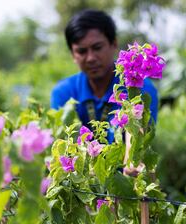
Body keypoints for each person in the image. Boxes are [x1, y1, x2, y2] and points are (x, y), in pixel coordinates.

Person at [50, 9, 158, 143]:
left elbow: (137, 146)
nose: (90, 58)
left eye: (97, 47)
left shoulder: (141, 90)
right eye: (81, 51)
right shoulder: (64, 93)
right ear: (73, 55)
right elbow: (67, 146)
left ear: (114, 44)